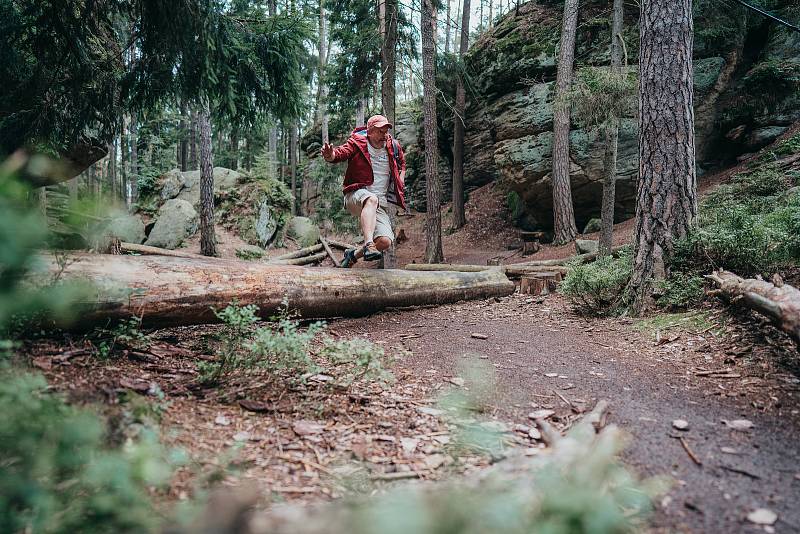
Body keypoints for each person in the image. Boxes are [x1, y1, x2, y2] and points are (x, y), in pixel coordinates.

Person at [320, 114, 406, 268]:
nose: (384, 135)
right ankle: (368, 244)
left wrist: (401, 179)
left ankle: (353, 255)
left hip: (379, 203)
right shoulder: (358, 142)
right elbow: (340, 153)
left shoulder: (393, 146)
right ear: (370, 132)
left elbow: (402, 164)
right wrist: (330, 156)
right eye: (380, 131)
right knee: (371, 199)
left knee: (385, 241)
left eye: (386, 131)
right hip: (355, 195)